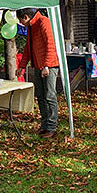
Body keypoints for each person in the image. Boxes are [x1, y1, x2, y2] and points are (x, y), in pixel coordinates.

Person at [16, 8, 61, 139]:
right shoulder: (31, 26)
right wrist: (22, 66)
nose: (21, 23)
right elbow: (28, 48)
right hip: (38, 65)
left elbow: (50, 44)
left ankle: (52, 127)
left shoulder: (43, 22)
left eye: (20, 20)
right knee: (40, 95)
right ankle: (45, 125)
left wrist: (46, 66)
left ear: (25, 17)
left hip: (49, 65)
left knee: (50, 95)